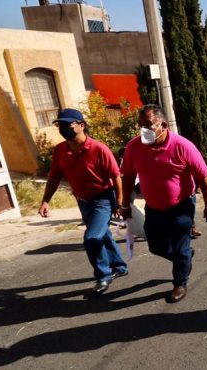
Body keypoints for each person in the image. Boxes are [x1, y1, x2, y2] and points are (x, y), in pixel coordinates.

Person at [120, 104, 207, 303]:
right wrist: (124, 203)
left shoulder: (183, 146)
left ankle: (179, 283)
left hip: (181, 205)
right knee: (156, 246)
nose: (143, 130)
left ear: (163, 124)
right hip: (153, 207)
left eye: (148, 125)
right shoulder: (134, 147)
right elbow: (128, 176)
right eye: (140, 125)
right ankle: (184, 259)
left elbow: (203, 176)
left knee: (180, 246)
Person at [39, 108, 128, 295]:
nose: (63, 128)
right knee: (102, 235)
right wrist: (45, 201)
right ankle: (119, 266)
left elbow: (116, 177)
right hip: (83, 201)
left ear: (81, 125)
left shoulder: (98, 149)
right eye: (60, 125)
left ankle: (103, 276)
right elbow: (54, 177)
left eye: (68, 125)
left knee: (92, 238)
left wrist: (119, 203)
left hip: (103, 200)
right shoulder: (60, 150)